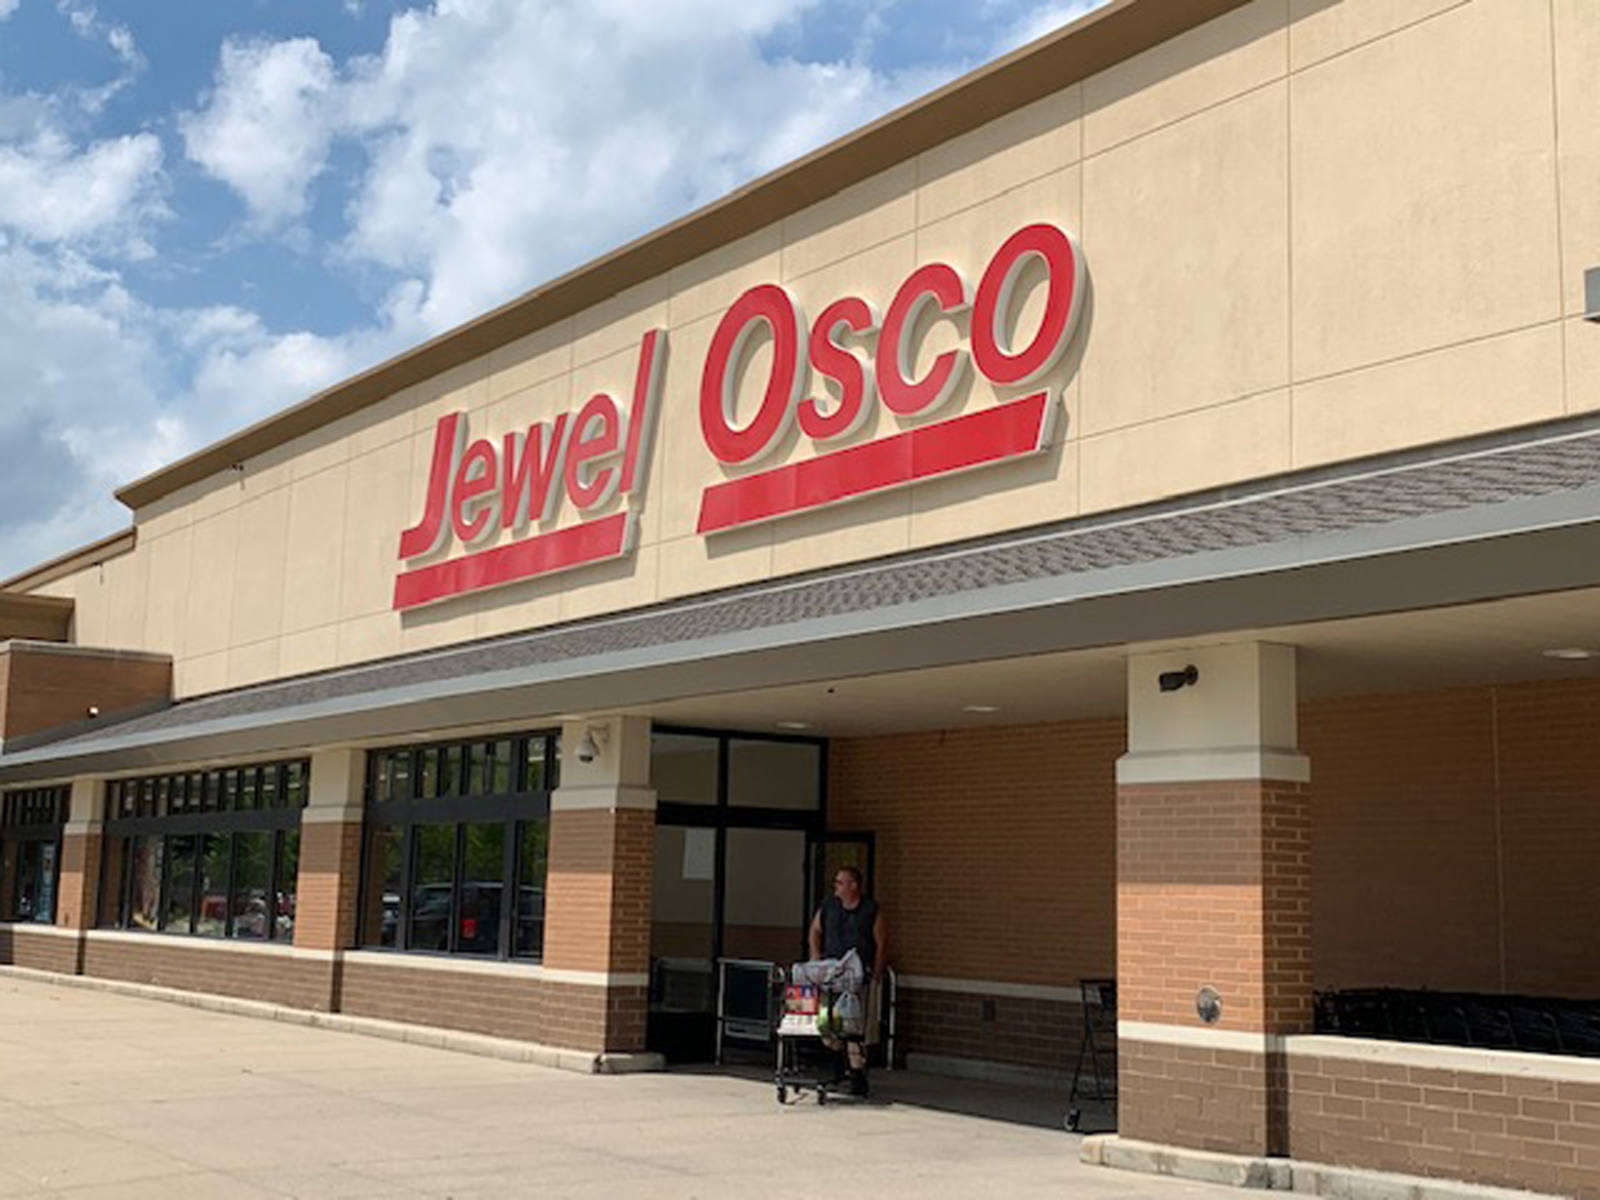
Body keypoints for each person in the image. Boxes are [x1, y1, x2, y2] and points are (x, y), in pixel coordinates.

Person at [807, 865, 887, 1096]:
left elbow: (882, 941)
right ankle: (836, 1065)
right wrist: (815, 956)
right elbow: (815, 930)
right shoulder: (829, 906)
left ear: (854, 886)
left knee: (853, 1027)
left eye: (841, 882)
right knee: (826, 1022)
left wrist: (878, 972)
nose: (836, 886)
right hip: (831, 974)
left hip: (857, 977)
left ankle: (857, 1075)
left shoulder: (870, 909)